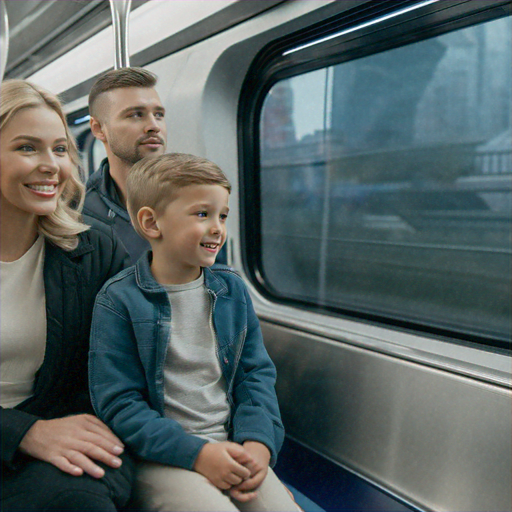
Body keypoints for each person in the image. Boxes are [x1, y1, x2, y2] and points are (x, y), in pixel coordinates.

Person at [89, 153, 300, 511]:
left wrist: (258, 445)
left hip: (232, 443)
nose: (218, 227)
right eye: (203, 214)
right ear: (152, 223)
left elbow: (254, 377)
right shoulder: (119, 300)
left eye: (222, 215)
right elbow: (119, 403)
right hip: (158, 456)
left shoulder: (232, 292)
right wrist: (199, 454)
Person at [0, 79, 135, 511]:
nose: (51, 166)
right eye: (27, 148)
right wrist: (22, 433)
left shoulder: (95, 250)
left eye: (59, 149)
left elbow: (116, 370)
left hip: (60, 433)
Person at [84, 67, 167, 263]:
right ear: (98, 129)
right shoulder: (80, 219)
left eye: (159, 114)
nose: (153, 125)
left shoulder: (192, 196)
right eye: (136, 115)